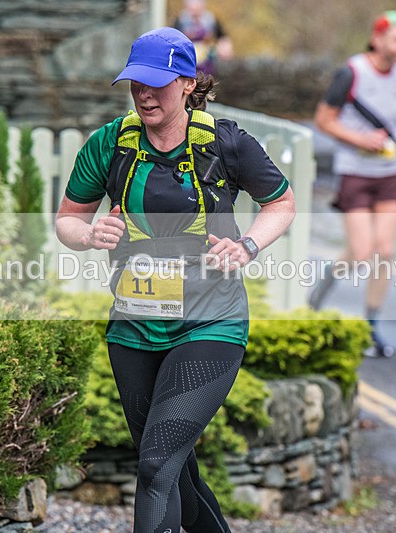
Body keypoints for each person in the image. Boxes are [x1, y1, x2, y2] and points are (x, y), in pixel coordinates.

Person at [55, 27, 295, 533]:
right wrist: (90, 234)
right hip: (133, 328)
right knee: (174, 472)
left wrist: (247, 245)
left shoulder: (226, 143)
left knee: (155, 465)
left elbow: (281, 203)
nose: (144, 94)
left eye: (157, 83)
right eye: (135, 83)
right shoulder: (110, 144)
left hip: (210, 325)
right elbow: (67, 221)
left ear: (188, 83)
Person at [310, 10, 396, 357]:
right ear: (378, 39)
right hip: (356, 171)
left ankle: (371, 326)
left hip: (393, 170)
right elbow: (323, 120)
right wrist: (361, 140)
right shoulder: (352, 72)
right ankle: (319, 293)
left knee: (385, 251)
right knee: (361, 253)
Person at [173, 0, 233, 77]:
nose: (195, 10)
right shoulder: (181, 20)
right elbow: (173, 37)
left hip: (207, 59)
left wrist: (225, 47)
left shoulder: (210, 19)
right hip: (187, 57)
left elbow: (222, 36)